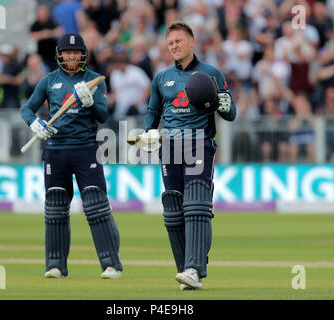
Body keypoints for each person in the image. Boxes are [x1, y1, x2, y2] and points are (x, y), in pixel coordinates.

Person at [140, 21, 236, 290]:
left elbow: (230, 113)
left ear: (192, 42)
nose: (174, 46)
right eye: (170, 43)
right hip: (168, 146)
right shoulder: (161, 78)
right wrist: (147, 131)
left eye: (179, 41)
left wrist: (226, 105)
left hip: (198, 143)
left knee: (196, 205)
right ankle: (185, 270)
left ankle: (195, 268)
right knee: (173, 208)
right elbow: (153, 111)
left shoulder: (211, 73)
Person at [21, 33, 123, 279]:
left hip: (86, 148)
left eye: (76, 53)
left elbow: (102, 117)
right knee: (55, 207)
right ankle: (55, 265)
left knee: (96, 206)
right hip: (56, 150)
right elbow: (27, 108)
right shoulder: (49, 81)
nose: (72, 56)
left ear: (83, 54)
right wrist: (35, 123)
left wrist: (90, 103)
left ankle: (111, 265)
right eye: (67, 52)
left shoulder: (94, 80)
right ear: (60, 55)